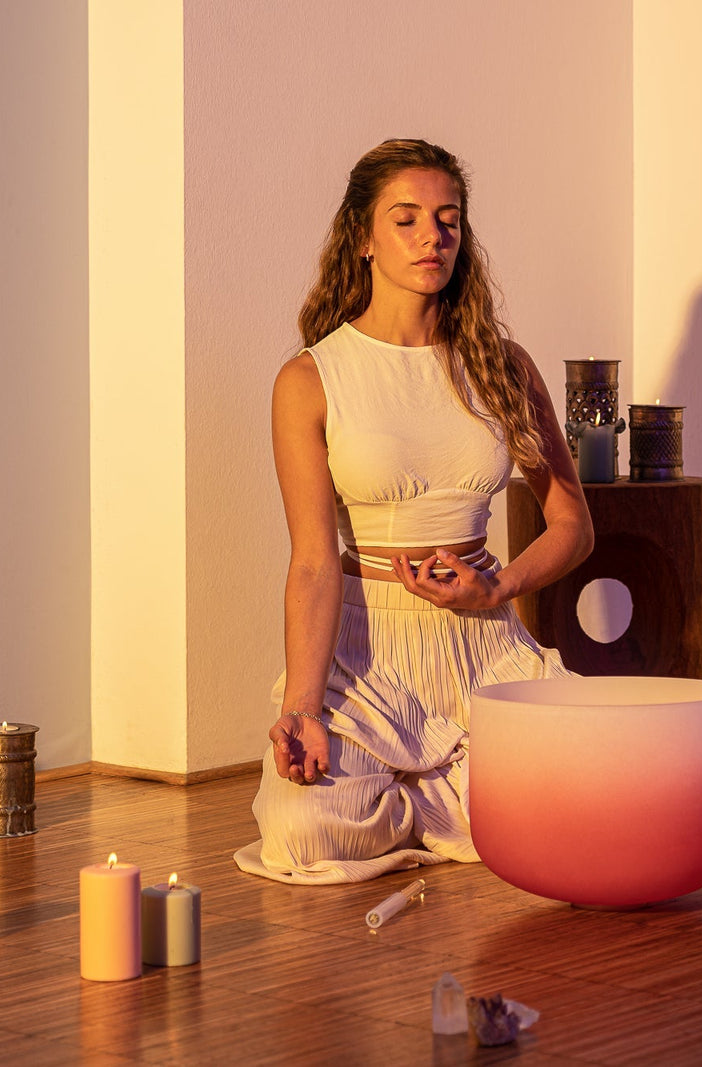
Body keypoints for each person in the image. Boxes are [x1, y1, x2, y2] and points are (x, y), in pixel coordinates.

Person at [234, 140, 592, 883]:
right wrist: (303, 707)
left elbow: (572, 525)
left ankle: (433, 803)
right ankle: (449, 810)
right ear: (362, 239)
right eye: (407, 219)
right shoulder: (309, 378)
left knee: (590, 797)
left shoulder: (502, 364)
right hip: (365, 657)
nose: (434, 235)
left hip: (484, 648)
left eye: (448, 219)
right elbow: (311, 562)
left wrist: (497, 588)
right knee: (300, 829)